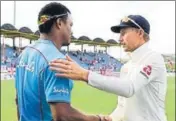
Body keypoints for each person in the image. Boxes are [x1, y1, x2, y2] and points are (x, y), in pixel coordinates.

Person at [49, 15, 168, 121]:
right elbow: (122, 106)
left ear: (140, 33)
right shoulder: (126, 67)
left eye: (124, 33)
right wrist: (110, 118)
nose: (120, 39)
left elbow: (129, 88)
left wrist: (85, 75)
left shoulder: (154, 59)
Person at [15, 2, 111, 121]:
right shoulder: (57, 61)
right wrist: (97, 119)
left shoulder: (24, 53)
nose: (71, 30)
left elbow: (18, 100)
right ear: (59, 23)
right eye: (70, 25)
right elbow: (63, 115)